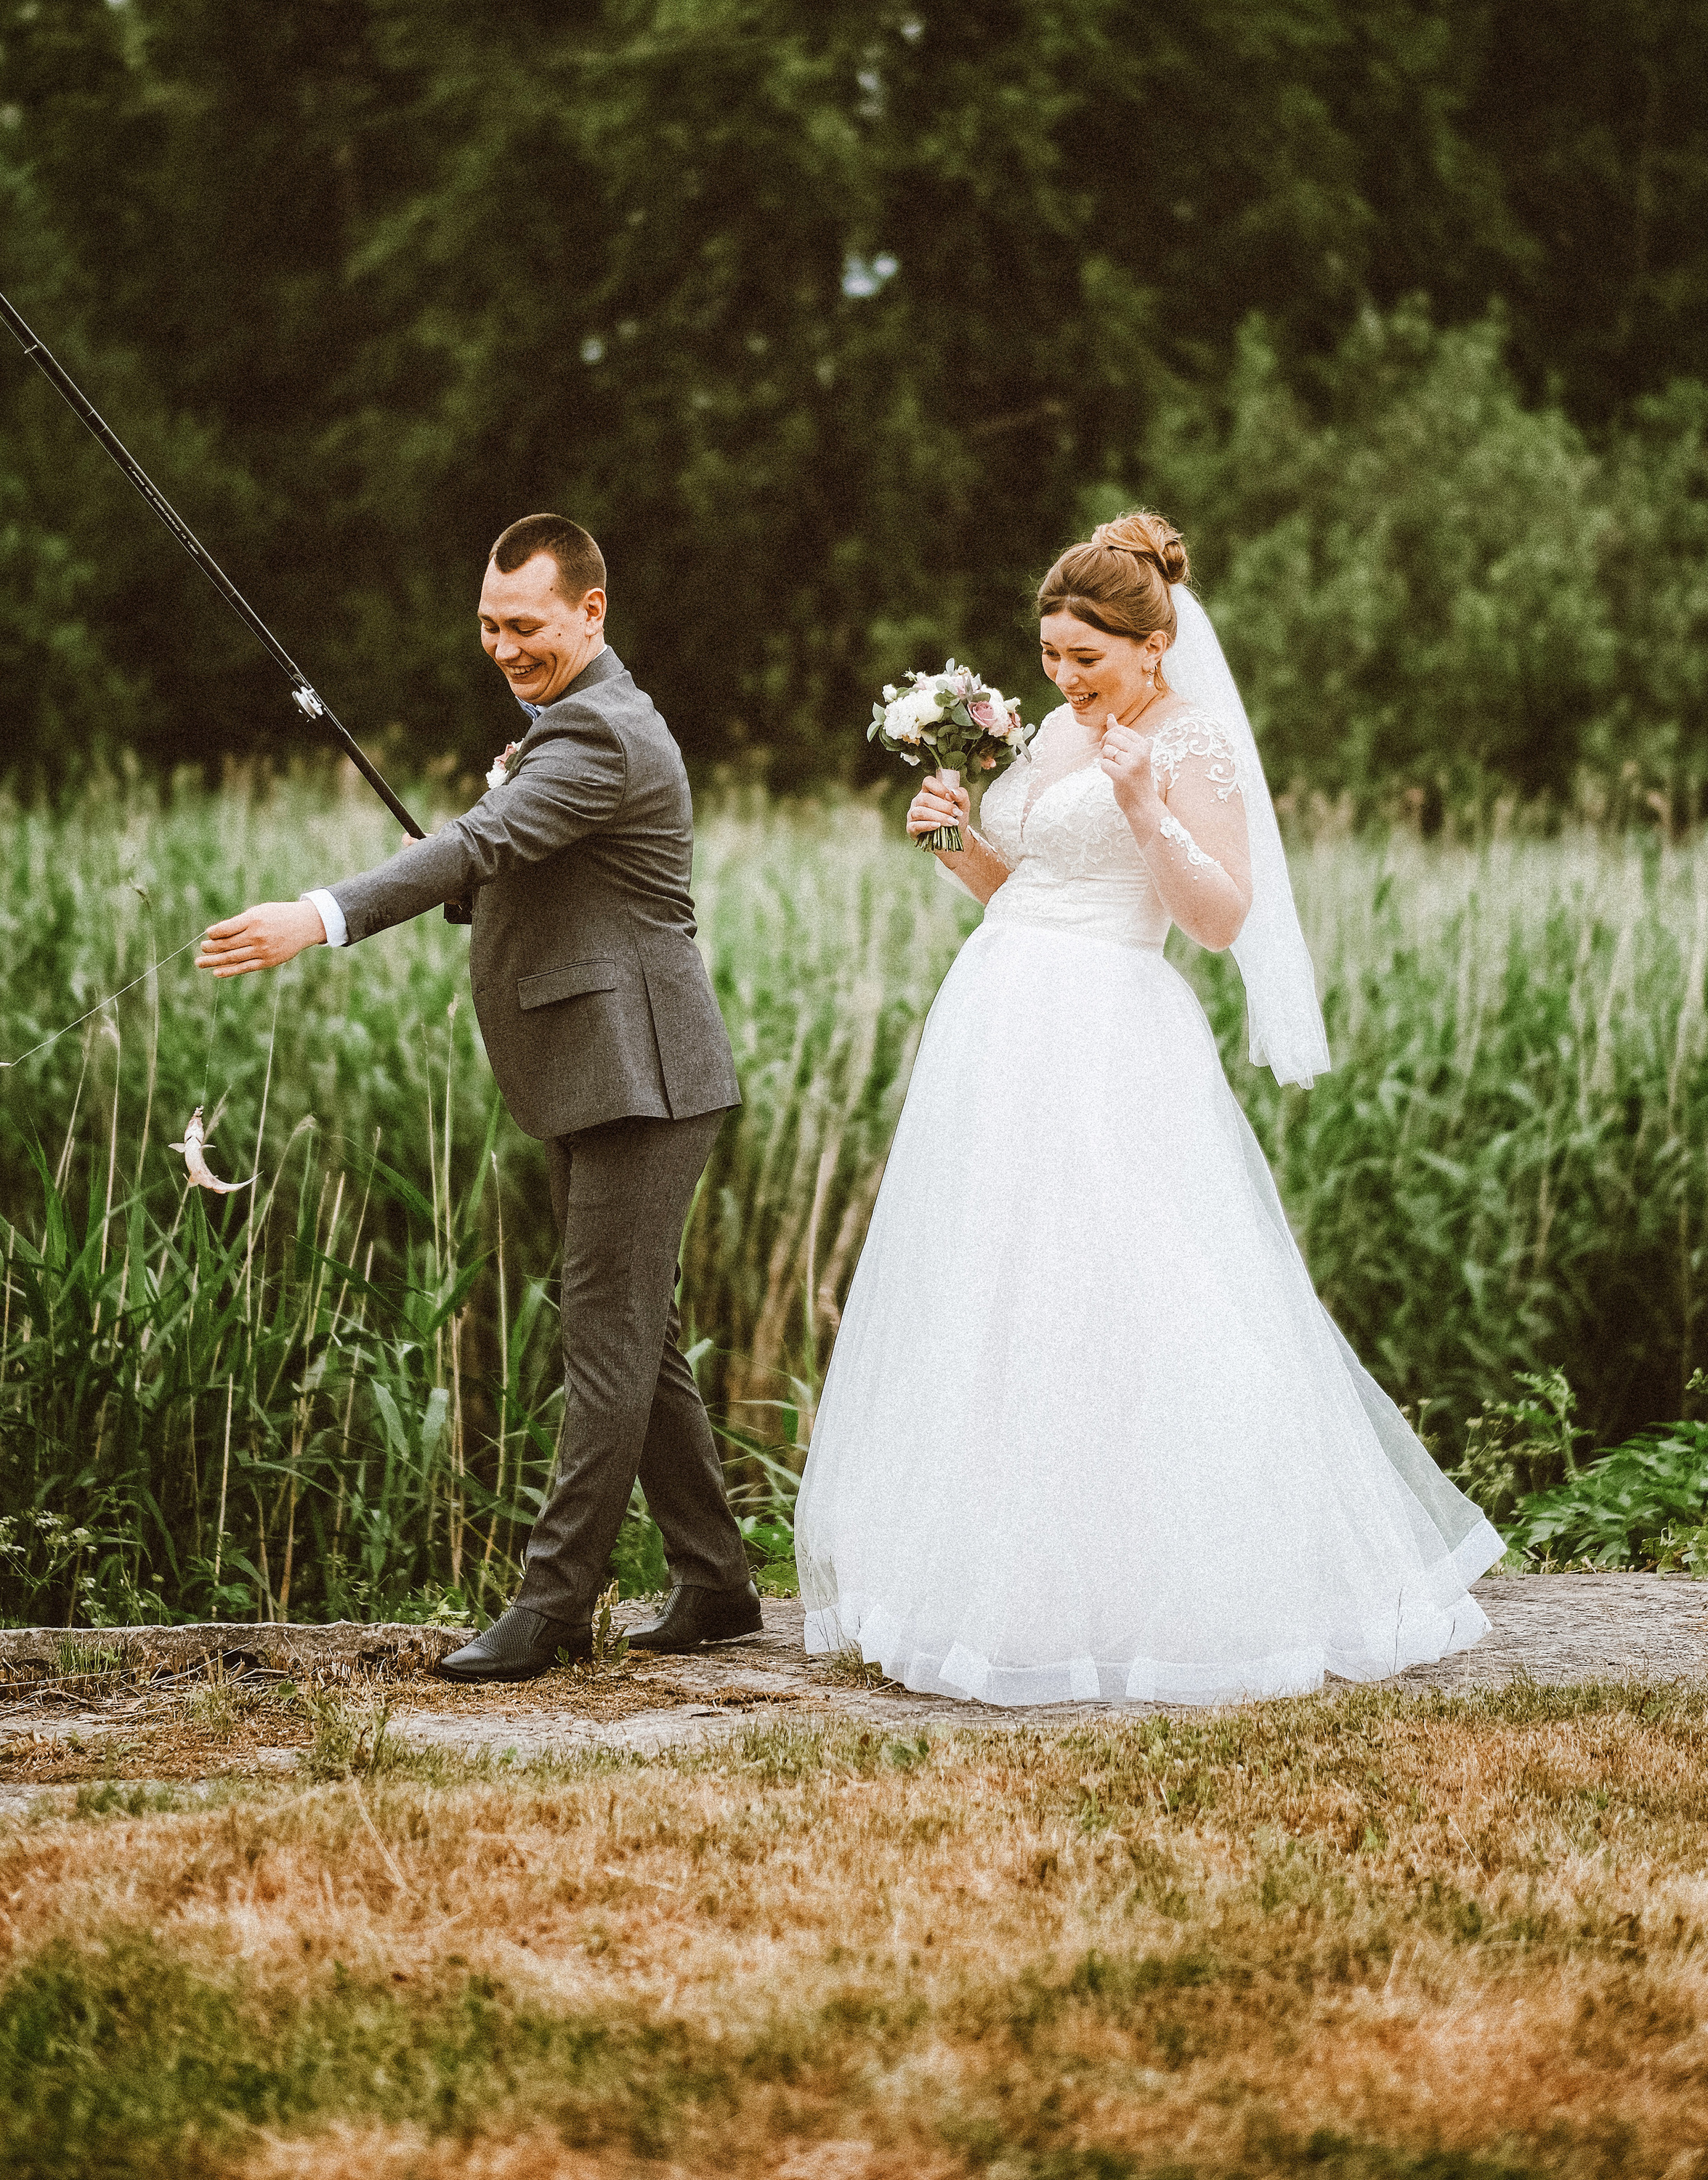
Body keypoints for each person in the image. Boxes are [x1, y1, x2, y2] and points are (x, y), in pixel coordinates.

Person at [795, 511, 1502, 1706]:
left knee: (1130, 1281)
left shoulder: (1191, 742)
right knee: (1001, 1280)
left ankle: (1177, 1588)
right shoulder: (1055, 734)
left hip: (1111, 1029)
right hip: (1002, 1017)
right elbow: (1027, 892)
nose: (1064, 678)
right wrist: (956, 842)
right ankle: (1004, 1587)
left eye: (1087, 657)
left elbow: (1219, 918)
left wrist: (1146, 806)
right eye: (1050, 654)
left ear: (1153, 646)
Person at [196, 514, 761, 1681]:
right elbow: (524, 866)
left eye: (526, 625)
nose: (504, 648)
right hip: (605, 1070)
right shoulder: (575, 721)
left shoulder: (598, 730)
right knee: (633, 1332)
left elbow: (479, 841)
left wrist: (321, 914)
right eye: (489, 627)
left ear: (591, 612)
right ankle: (716, 1583)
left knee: (605, 1341)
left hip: (644, 1078)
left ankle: (551, 1610)